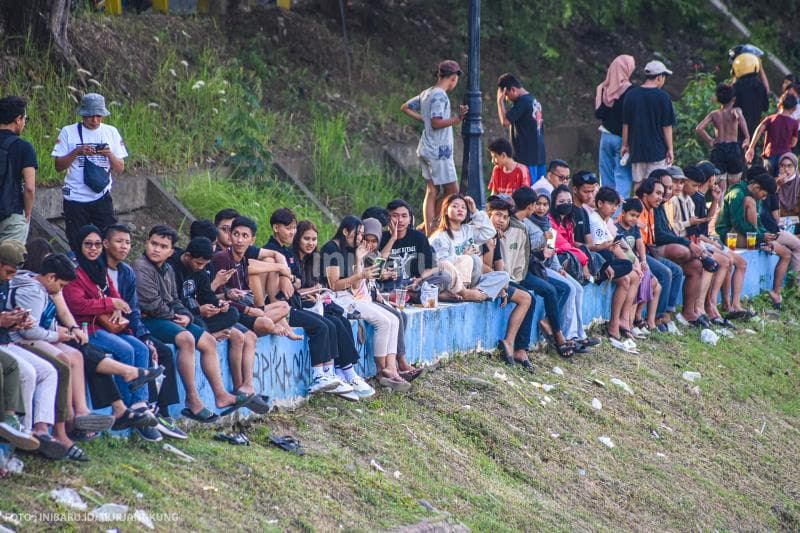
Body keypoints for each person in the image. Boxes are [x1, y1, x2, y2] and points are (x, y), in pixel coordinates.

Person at [9, 252, 159, 457]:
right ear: (51, 277)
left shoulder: (51, 286)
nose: (61, 291)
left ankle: (82, 412)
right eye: (61, 286)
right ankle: (64, 423)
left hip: (49, 334)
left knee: (80, 355)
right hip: (24, 340)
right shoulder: (34, 290)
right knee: (65, 361)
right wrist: (59, 333)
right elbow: (32, 328)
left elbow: (50, 317)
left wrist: (68, 330)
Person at [134, 225, 255, 422]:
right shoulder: (141, 267)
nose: (156, 249)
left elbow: (174, 299)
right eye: (153, 244)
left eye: (163, 246)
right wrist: (180, 315)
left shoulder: (166, 268)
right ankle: (193, 400)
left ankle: (221, 395)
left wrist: (188, 316)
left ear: (171, 250)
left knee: (208, 341)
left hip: (169, 316)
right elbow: (152, 305)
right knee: (186, 338)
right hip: (149, 319)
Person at [63, 225, 164, 442]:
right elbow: (76, 304)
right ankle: (127, 409)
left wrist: (117, 305)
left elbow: (115, 293)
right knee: (125, 349)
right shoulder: (74, 270)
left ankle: (140, 405)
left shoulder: (99, 267)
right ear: (79, 246)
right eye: (88, 244)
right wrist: (110, 303)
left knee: (140, 347)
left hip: (106, 324)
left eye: (97, 244)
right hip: (86, 327)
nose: (93, 249)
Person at [264, 208, 369, 398]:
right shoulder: (273, 252)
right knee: (324, 325)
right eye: (290, 229)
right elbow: (281, 289)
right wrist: (287, 278)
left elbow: (295, 282)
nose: (291, 233)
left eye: (294, 228)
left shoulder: (290, 254)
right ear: (275, 228)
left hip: (297, 303)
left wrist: (296, 283)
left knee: (337, 321)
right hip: (283, 306)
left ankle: (343, 372)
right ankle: (322, 375)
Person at [102, 223, 187, 439]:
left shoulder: (127, 271)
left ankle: (153, 412)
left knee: (154, 350)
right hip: (102, 327)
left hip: (131, 326)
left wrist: (146, 337)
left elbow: (134, 310)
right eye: (119, 241)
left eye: (127, 242)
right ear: (106, 243)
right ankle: (141, 411)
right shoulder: (127, 269)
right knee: (140, 351)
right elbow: (148, 305)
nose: (123, 247)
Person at [169, 237, 272, 410]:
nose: (200, 267)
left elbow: (206, 295)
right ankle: (211, 335)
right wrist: (198, 311)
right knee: (221, 330)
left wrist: (219, 305)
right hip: (184, 315)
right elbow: (174, 302)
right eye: (198, 263)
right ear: (187, 256)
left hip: (200, 314)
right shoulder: (173, 269)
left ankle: (242, 389)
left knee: (231, 313)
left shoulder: (200, 271)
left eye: (204, 265)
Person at [321, 216, 410, 392]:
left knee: (393, 320)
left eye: (363, 234)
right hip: (335, 298)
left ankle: (390, 369)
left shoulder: (352, 250)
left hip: (349, 297)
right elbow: (334, 284)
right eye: (359, 234)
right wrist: (360, 273)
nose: (361, 239)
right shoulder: (332, 249)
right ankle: (382, 370)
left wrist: (358, 258)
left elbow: (354, 284)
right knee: (384, 322)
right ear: (346, 232)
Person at [292, 220, 376, 396]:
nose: (311, 243)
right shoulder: (298, 256)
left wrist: (315, 292)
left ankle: (344, 371)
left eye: (314, 239)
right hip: (298, 305)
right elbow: (332, 284)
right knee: (329, 324)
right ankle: (334, 373)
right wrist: (312, 291)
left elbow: (320, 284)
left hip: (315, 302)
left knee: (340, 321)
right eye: (306, 238)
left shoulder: (313, 258)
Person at [515, 187, 597, 352]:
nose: (541, 208)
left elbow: (551, 252)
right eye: (538, 204)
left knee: (577, 288)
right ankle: (566, 335)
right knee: (568, 289)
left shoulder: (548, 224)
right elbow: (530, 248)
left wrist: (559, 268)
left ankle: (577, 334)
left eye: (545, 204)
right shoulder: (527, 222)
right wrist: (543, 241)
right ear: (531, 205)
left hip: (547, 266)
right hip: (535, 267)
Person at [52, 93, 127, 250]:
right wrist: (77, 152)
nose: (95, 120)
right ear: (83, 115)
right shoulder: (68, 132)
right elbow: (58, 166)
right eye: (90, 116)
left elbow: (120, 167)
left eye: (98, 116)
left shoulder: (111, 132)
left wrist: (108, 154)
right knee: (77, 243)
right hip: (75, 198)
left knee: (108, 239)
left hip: (102, 196)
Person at [401, 60, 468, 235]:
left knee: (432, 190)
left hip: (426, 147)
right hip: (439, 151)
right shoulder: (440, 95)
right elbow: (436, 122)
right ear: (453, 79)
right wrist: (457, 119)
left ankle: (427, 227)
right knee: (453, 191)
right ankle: (430, 228)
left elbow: (405, 107)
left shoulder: (426, 93)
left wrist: (424, 119)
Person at [637, 173, 707, 327]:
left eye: (666, 190)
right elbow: (652, 237)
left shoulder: (654, 207)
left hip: (648, 251)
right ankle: (656, 317)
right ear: (645, 193)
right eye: (660, 192)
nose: (664, 195)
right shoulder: (640, 207)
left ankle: (668, 313)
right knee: (666, 271)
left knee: (678, 270)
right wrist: (687, 244)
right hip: (638, 253)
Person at [212, 216, 297, 338]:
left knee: (284, 307)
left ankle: (271, 323)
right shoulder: (222, 257)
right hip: (233, 311)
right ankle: (268, 325)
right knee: (267, 324)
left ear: (252, 240)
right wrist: (250, 310)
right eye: (236, 234)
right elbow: (220, 299)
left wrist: (285, 275)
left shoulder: (243, 259)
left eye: (245, 236)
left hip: (245, 307)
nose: (239, 240)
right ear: (230, 235)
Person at [716, 168, 790, 308]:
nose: (763, 198)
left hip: (748, 235)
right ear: (756, 187)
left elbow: (758, 222)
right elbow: (737, 223)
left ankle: (776, 292)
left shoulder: (754, 195)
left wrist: (765, 235)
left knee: (785, 253)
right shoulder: (738, 193)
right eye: (763, 194)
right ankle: (734, 304)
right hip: (730, 234)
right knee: (749, 201)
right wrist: (759, 237)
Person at [362, 218, 424, 381]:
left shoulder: (373, 254)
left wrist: (393, 238)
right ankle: (399, 364)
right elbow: (376, 270)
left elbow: (379, 263)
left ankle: (397, 362)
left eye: (374, 240)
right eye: (366, 240)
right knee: (396, 317)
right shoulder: (360, 254)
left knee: (401, 315)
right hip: (365, 299)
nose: (370, 244)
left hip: (375, 296)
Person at [483, 197, 536, 368]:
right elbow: (480, 267)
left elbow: (499, 266)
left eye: (505, 217)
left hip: (495, 280)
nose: (501, 220)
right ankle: (512, 344)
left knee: (530, 297)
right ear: (488, 214)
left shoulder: (495, 235)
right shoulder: (482, 235)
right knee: (526, 298)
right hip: (479, 281)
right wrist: (501, 282)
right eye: (497, 215)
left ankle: (518, 347)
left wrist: (503, 283)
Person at [428, 194, 510, 301]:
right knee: (470, 259)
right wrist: (462, 256)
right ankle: (471, 293)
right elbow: (440, 265)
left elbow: (490, 232)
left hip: (472, 280)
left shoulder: (468, 230)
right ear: (446, 211)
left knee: (504, 276)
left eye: (464, 207)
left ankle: (474, 293)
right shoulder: (440, 237)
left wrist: (475, 211)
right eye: (455, 206)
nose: (460, 209)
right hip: (452, 281)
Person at [587, 187, 640, 350]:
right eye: (611, 204)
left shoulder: (604, 220)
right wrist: (627, 264)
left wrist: (632, 264)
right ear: (600, 203)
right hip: (598, 263)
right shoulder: (594, 219)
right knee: (626, 275)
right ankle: (616, 322)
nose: (614, 208)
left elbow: (614, 245)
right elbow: (600, 247)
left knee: (630, 275)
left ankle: (621, 321)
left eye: (616, 205)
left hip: (607, 260)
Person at [621, 60, 676, 193]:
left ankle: (637, 212)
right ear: (659, 77)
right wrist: (670, 149)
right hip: (657, 150)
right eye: (664, 77)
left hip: (636, 149)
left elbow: (626, 124)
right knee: (655, 184)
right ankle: (651, 213)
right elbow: (667, 127)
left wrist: (625, 145)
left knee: (638, 183)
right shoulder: (663, 97)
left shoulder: (631, 95)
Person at [378, 199, 451, 294]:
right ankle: (416, 295)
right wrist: (393, 238)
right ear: (388, 219)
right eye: (395, 216)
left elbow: (431, 267)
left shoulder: (418, 237)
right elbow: (377, 266)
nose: (400, 220)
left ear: (410, 219)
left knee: (445, 277)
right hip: (390, 284)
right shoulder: (381, 237)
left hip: (414, 283)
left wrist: (420, 279)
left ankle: (413, 294)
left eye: (404, 216)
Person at [615, 198, 662, 333]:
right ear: (623, 213)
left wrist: (643, 261)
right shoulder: (617, 228)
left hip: (636, 261)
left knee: (654, 283)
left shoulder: (634, 228)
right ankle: (631, 321)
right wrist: (636, 264)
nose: (634, 219)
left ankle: (637, 317)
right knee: (643, 279)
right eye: (632, 215)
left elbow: (640, 244)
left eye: (637, 216)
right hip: (626, 262)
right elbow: (622, 251)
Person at [595, 55, 636, 199]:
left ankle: (605, 211)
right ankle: (617, 215)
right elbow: (630, 119)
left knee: (606, 177)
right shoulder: (631, 92)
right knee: (622, 177)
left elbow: (599, 113)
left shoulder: (603, 88)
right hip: (621, 140)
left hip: (605, 137)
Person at [695, 83, 749, 186]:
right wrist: (747, 137)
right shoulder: (735, 111)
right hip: (732, 148)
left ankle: (720, 201)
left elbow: (699, 128)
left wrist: (710, 140)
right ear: (733, 99)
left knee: (720, 184)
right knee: (734, 182)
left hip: (718, 148)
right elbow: (740, 119)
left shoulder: (714, 114)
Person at [496, 73, 546, 182]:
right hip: (539, 155)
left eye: (507, 95)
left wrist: (499, 102)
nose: (507, 99)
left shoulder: (522, 102)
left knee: (527, 193)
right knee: (540, 193)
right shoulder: (533, 100)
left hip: (526, 158)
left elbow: (505, 122)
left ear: (513, 89)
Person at [0, 96, 36, 244]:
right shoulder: (24, 147)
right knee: (9, 263)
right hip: (12, 214)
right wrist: (27, 213)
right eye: (25, 119)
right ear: (18, 119)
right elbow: (29, 187)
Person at [746, 92, 799, 175]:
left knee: (768, 182)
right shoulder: (794, 123)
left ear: (780, 104)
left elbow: (759, 130)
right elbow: (793, 143)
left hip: (769, 155)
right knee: (781, 182)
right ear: (794, 108)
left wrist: (751, 147)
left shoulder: (771, 119)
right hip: (785, 157)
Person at [549, 185, 591, 282]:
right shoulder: (549, 222)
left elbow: (570, 245)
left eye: (569, 201)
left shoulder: (568, 222)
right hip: (552, 261)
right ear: (554, 204)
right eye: (561, 202)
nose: (566, 204)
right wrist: (584, 261)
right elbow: (563, 246)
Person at [732, 53, 769, 141]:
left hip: (737, 131)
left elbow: (731, 107)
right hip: (754, 131)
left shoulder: (736, 87)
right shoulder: (760, 87)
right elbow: (765, 107)